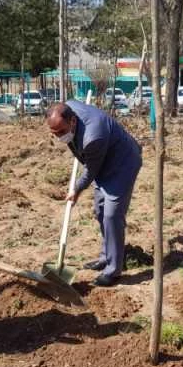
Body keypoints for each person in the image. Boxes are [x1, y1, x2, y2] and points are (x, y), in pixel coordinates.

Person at [45, 101, 142, 287]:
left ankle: (114, 270)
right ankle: (106, 257)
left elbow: (90, 171)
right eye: (54, 132)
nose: (58, 136)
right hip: (103, 162)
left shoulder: (93, 136)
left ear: (73, 121)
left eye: (61, 132)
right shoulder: (69, 108)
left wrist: (76, 189)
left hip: (123, 164)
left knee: (112, 215)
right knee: (100, 210)